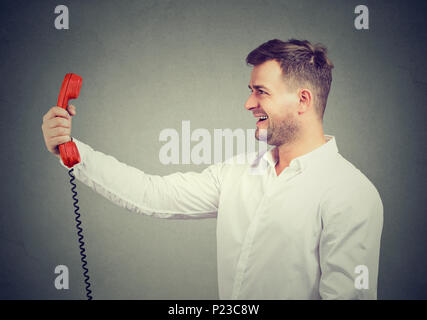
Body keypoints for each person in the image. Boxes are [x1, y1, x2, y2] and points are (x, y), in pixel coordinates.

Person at [41, 39, 383, 299]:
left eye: (260, 92)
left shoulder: (351, 194)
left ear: (303, 100)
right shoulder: (236, 173)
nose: (248, 103)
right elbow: (153, 194)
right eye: (250, 91)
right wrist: (72, 151)